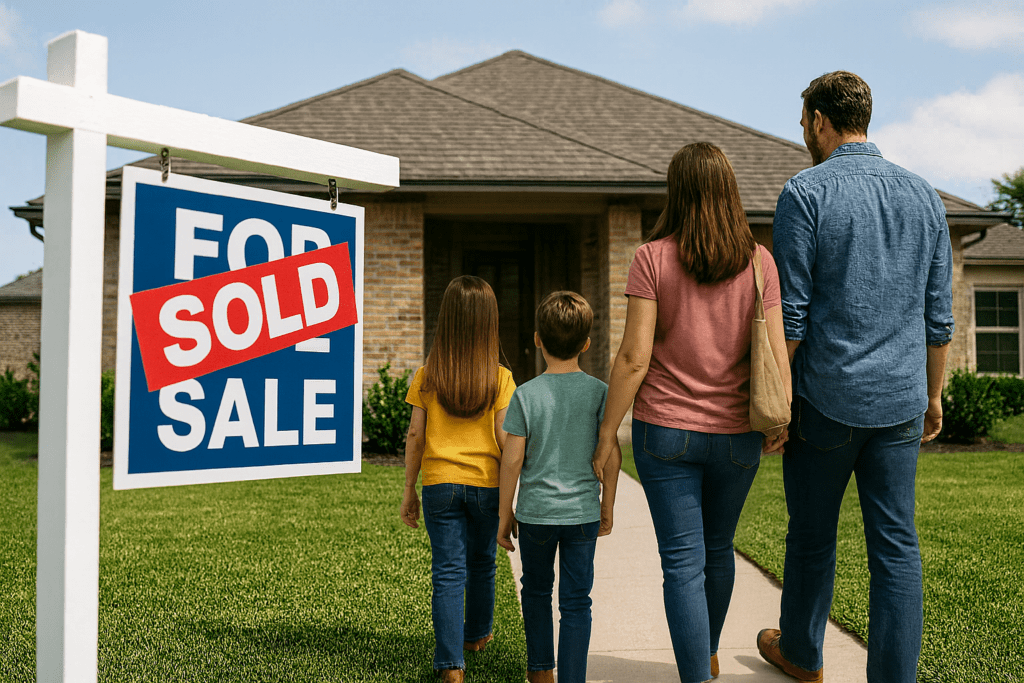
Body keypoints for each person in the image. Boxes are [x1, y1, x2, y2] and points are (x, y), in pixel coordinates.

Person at [756, 71, 953, 683]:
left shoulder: (805, 193)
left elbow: (792, 315)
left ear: (819, 120)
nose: (803, 136)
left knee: (812, 536)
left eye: (802, 125)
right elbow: (938, 314)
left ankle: (803, 654)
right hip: (899, 400)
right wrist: (934, 395)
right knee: (896, 548)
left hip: (825, 402)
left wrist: (778, 402)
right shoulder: (924, 196)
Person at [592, 142, 791, 683]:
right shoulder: (759, 262)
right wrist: (781, 417)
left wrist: (608, 432)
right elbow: (775, 350)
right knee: (719, 550)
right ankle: (703, 653)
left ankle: (697, 672)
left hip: (666, 434)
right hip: (737, 436)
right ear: (729, 192)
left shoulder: (652, 257)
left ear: (675, 193)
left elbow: (634, 357)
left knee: (683, 562)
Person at [496, 291, 622, 683]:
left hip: (535, 515)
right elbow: (612, 455)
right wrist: (608, 506)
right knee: (576, 601)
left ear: (537, 339)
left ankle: (540, 673)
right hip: (582, 514)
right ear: (586, 343)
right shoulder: (601, 393)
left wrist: (505, 514)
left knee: (535, 592)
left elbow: (512, 459)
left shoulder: (525, 394)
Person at [399, 275, 517, 683]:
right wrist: (512, 493)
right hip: (487, 485)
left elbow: (415, 436)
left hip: (439, 485)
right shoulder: (501, 378)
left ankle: (450, 665)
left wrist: (409, 489)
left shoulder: (427, 374)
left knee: (448, 571)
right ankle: (476, 636)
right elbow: (506, 438)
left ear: (445, 319)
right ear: (490, 323)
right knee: (483, 563)